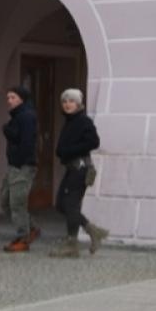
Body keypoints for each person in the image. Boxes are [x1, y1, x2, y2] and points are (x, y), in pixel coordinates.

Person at [50, 88, 109, 257]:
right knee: (62, 204)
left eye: (71, 101)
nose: (67, 104)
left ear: (79, 104)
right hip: (72, 169)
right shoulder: (69, 121)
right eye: (65, 101)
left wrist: (69, 151)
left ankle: (71, 244)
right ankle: (93, 231)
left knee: (70, 205)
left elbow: (94, 141)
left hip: (80, 169)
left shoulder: (83, 121)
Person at [0, 85, 40, 253]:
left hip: (23, 166)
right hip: (14, 166)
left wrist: (7, 131)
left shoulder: (27, 116)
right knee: (5, 201)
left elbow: (26, 142)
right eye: (8, 97)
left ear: (22, 99)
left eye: (13, 97)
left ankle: (23, 238)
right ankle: (31, 228)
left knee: (17, 202)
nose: (9, 101)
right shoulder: (17, 116)